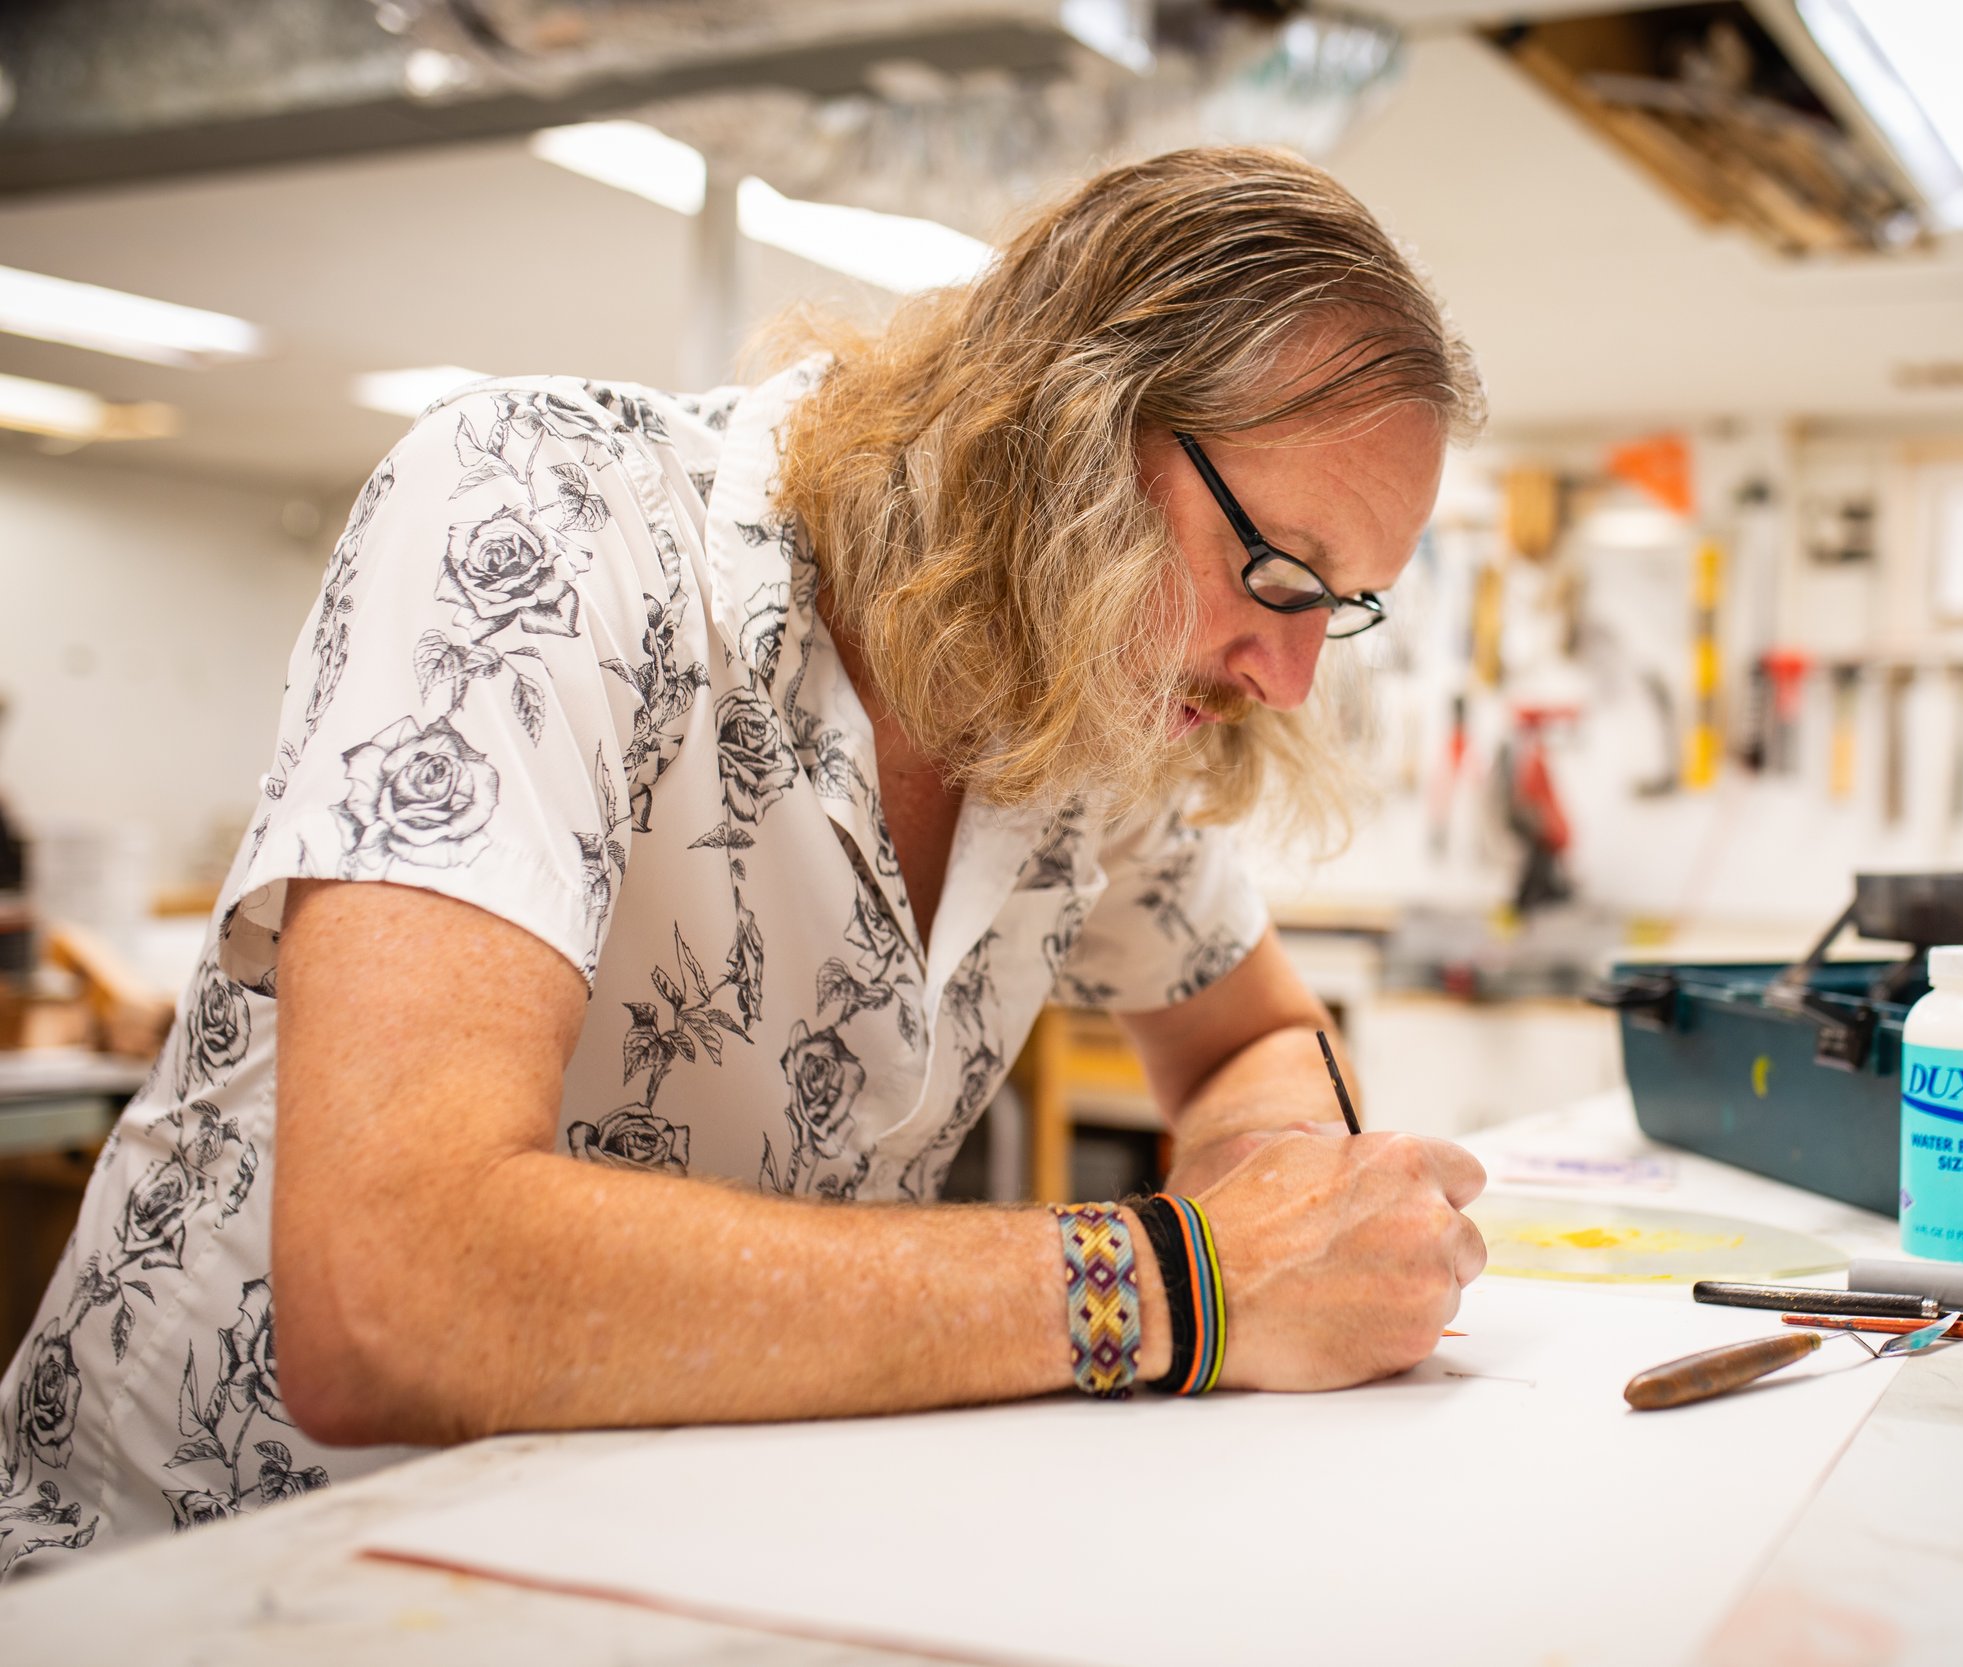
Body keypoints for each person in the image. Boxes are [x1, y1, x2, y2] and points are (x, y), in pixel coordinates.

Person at [0, 145, 1490, 1572]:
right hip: (199, 1577)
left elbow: (1257, 1038)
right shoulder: (541, 508)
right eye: (1278, 574)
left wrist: (1286, 1213)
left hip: (658, 1545)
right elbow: (396, 1292)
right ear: (1077, 432)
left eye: (1340, 606)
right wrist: (1172, 1284)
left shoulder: (1093, 700)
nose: (1287, 679)